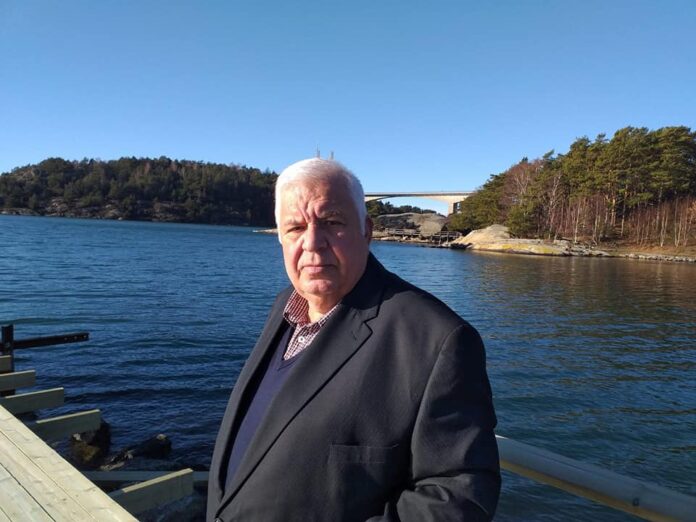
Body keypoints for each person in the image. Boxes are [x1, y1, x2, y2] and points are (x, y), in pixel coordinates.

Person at [207, 158, 500, 521]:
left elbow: (460, 494)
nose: (313, 243)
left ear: (366, 231)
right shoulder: (286, 305)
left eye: (332, 223)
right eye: (295, 227)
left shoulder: (437, 340)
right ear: (280, 236)